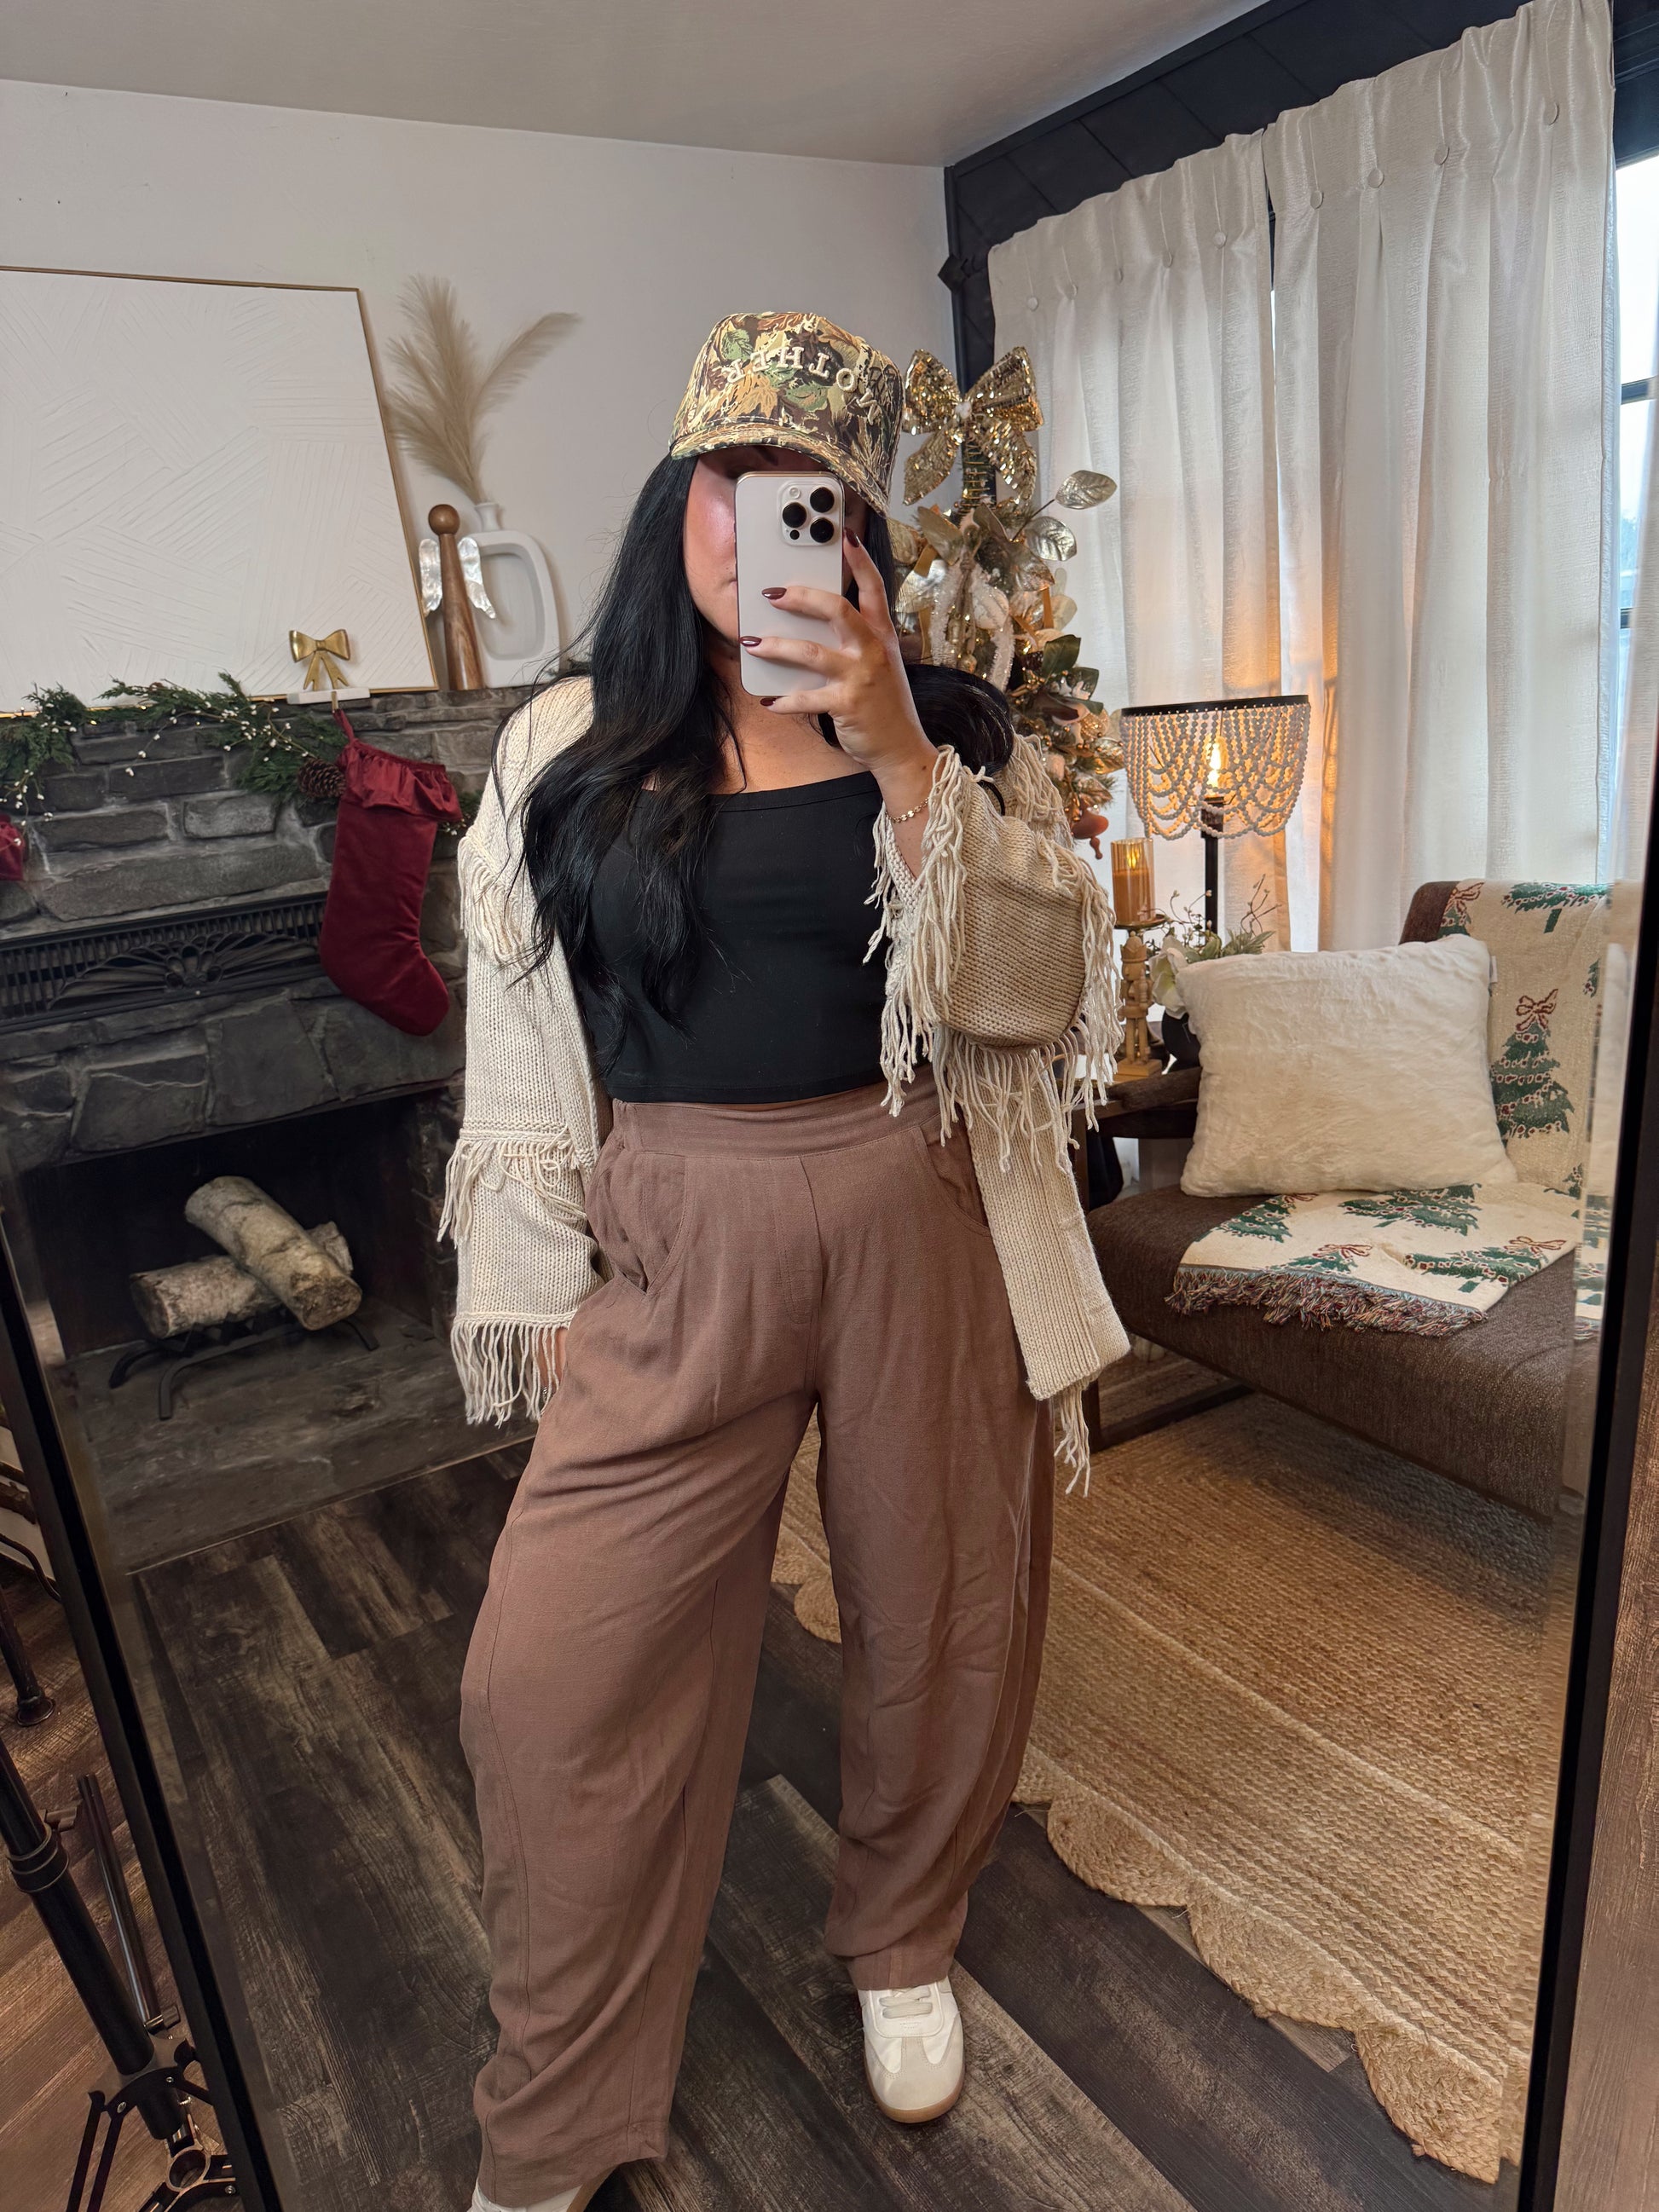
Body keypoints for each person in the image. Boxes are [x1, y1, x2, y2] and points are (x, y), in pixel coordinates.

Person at [444, 309, 1129, 2212]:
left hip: (927, 1213)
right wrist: (544, 1283)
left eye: (811, 494)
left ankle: (903, 1931)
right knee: (547, 1677)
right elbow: (519, 1031)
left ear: (860, 527)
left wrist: (899, 748)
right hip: (678, 1235)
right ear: (678, 503)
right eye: (733, 485)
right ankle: (556, 2105)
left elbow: (1034, 998)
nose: (765, 525)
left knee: (942, 1606)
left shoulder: (955, 730)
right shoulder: (567, 745)